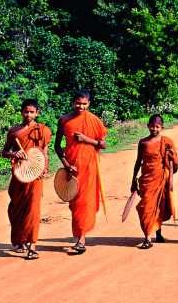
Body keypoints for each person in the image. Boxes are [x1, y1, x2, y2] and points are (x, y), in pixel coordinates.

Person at [54, 90, 107, 254]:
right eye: (78, 103)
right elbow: (57, 146)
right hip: (72, 167)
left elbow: (103, 144)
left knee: (85, 202)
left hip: (89, 167)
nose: (81, 106)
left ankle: (81, 240)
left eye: (84, 104)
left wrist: (86, 139)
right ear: (72, 103)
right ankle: (79, 236)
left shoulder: (94, 120)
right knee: (75, 203)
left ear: (89, 104)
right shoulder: (64, 120)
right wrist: (66, 164)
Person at [1, 99, 52, 260]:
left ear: (37, 113)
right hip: (19, 175)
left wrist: (44, 168)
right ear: (21, 112)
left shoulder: (43, 130)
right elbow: (4, 151)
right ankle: (19, 239)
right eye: (26, 111)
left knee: (33, 210)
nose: (28, 114)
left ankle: (32, 245)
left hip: (35, 175)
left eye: (32, 112)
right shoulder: (14, 132)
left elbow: (44, 151)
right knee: (16, 208)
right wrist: (14, 154)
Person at [130, 114, 178, 249]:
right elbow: (138, 162)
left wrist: (171, 155)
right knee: (145, 208)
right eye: (152, 126)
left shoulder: (167, 142)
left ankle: (156, 235)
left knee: (159, 207)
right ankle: (147, 236)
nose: (154, 129)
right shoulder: (143, 142)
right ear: (148, 126)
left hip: (161, 178)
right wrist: (133, 180)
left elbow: (175, 165)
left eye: (157, 127)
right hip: (147, 179)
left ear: (162, 127)